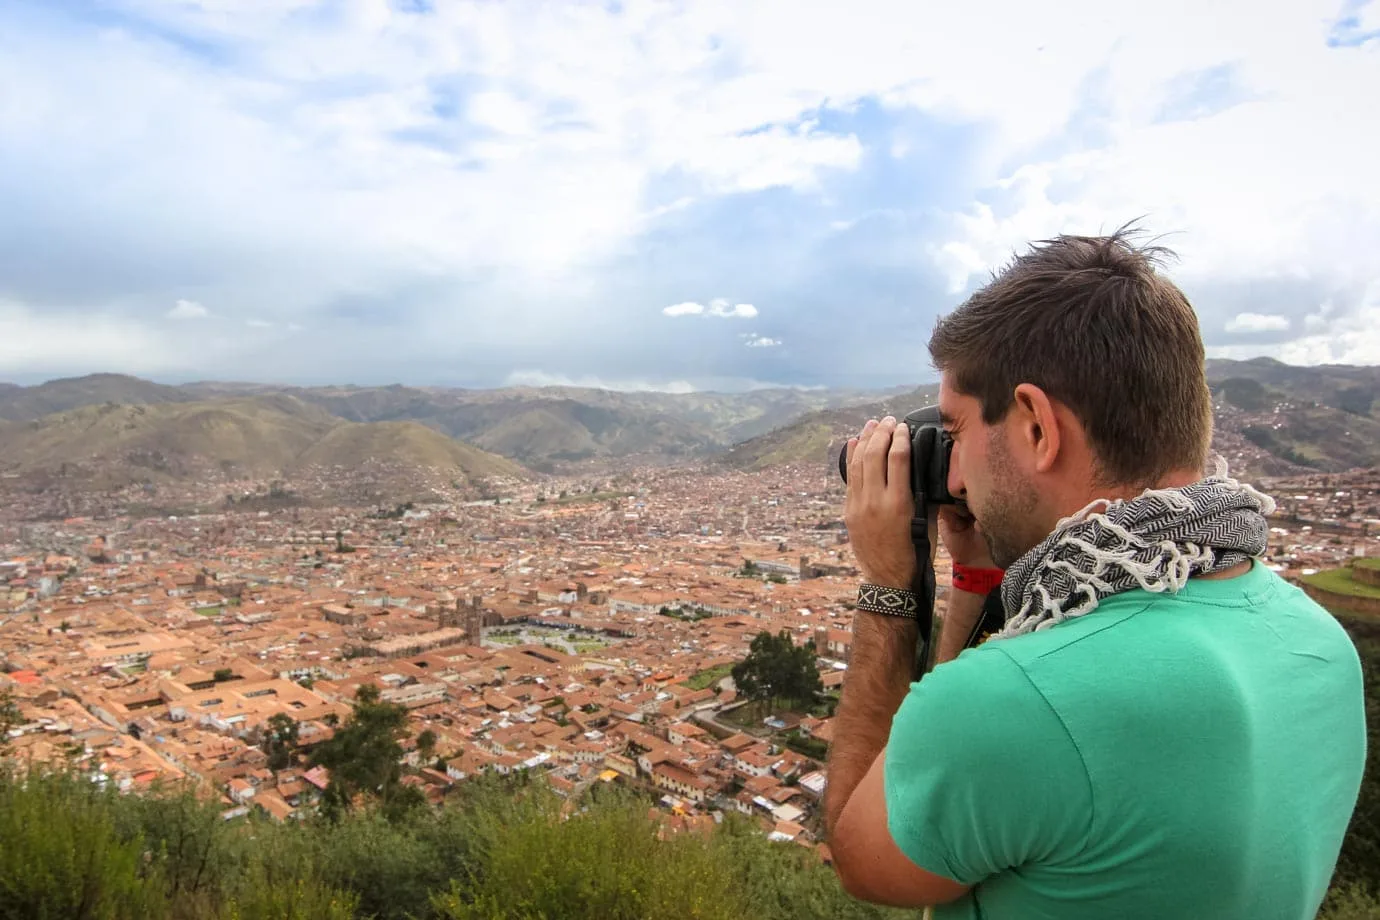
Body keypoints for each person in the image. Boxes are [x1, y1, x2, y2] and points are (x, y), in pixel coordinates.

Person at [823, 228, 1367, 919]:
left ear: (1038, 429)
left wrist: (888, 590)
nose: (954, 477)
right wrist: (975, 578)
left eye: (956, 435)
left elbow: (858, 854)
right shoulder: (1317, 645)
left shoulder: (1018, 703)